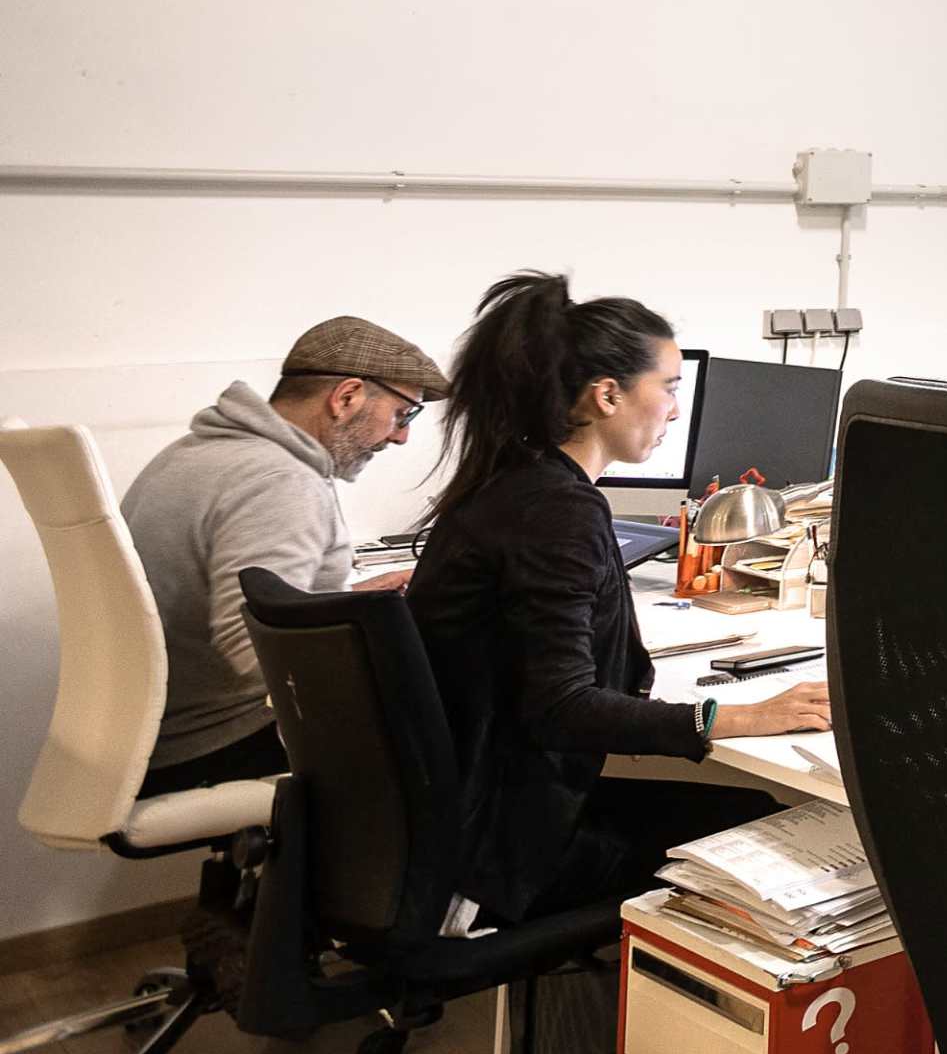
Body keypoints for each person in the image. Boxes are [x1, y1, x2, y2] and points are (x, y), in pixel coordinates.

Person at [406, 273, 826, 922]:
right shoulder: (557, 511)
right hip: (511, 850)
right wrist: (741, 717)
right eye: (669, 386)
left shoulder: (510, 485)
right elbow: (563, 707)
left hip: (466, 825)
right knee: (780, 829)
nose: (677, 410)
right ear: (607, 394)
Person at [120, 316, 452, 796]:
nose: (401, 437)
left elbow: (250, 601)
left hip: (156, 732)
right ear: (347, 397)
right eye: (404, 415)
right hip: (213, 741)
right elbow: (254, 648)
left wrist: (349, 602)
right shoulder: (279, 480)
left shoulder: (194, 452)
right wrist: (395, 641)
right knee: (454, 736)